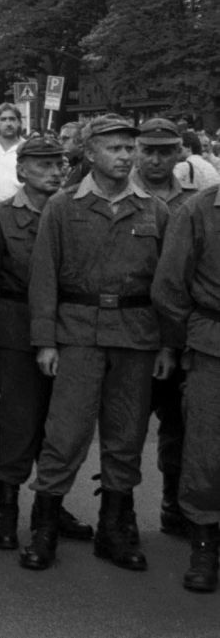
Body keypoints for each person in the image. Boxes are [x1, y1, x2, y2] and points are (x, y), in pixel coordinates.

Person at [18, 116, 172, 573]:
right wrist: (45, 341)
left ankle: (114, 529)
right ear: (89, 154)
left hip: (137, 335)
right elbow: (43, 277)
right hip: (79, 333)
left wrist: (167, 345)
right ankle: (44, 526)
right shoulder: (63, 207)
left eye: (130, 148)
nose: (125, 156)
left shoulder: (154, 210)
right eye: (115, 148)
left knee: (126, 437)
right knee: (65, 434)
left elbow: (166, 284)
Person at [0, 134, 92, 553]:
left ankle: (52, 505)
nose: (54, 171)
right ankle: (7, 509)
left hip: (72, 327)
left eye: (59, 163)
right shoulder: (1, 217)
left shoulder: (77, 212)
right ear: (21, 170)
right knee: (18, 419)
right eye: (43, 164)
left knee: (62, 424)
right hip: (17, 327)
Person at [152, 173, 220, 592]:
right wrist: (183, 339)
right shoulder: (199, 209)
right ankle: (204, 542)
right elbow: (169, 286)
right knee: (206, 450)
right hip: (212, 345)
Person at [137, 117, 202, 537]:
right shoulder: (118, 196)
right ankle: (117, 508)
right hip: (134, 328)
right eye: (149, 150)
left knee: (182, 425)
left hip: (181, 332)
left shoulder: (196, 202)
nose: (157, 158)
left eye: (167, 150)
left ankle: (174, 502)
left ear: (181, 152)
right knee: (124, 425)